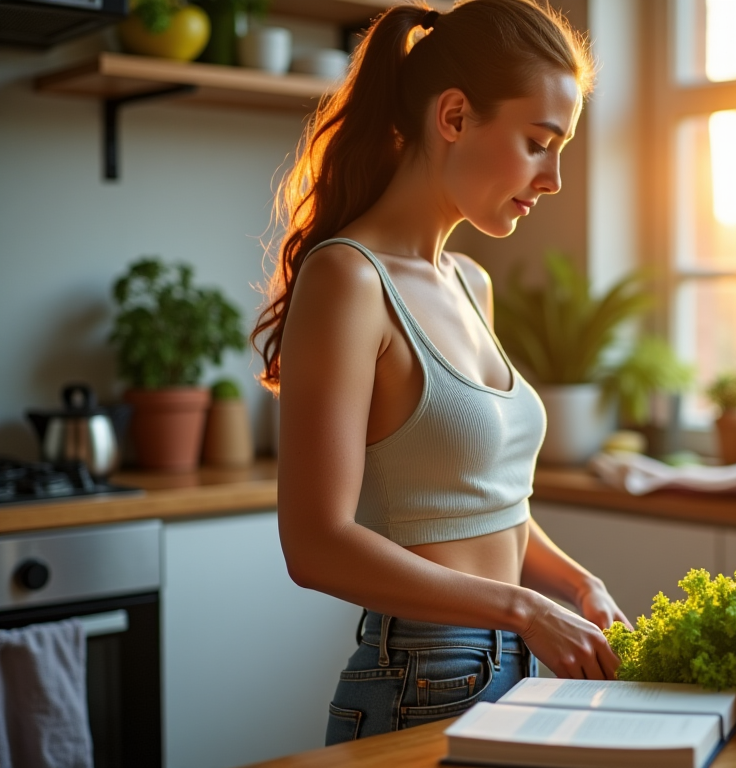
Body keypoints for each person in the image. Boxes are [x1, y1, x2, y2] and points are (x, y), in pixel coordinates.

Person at [249, 0, 628, 744]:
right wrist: (520, 605)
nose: (553, 178)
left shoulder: (467, 281)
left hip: (512, 661)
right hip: (420, 677)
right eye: (537, 142)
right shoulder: (349, 280)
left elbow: (479, 505)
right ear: (453, 117)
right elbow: (314, 544)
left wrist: (574, 584)